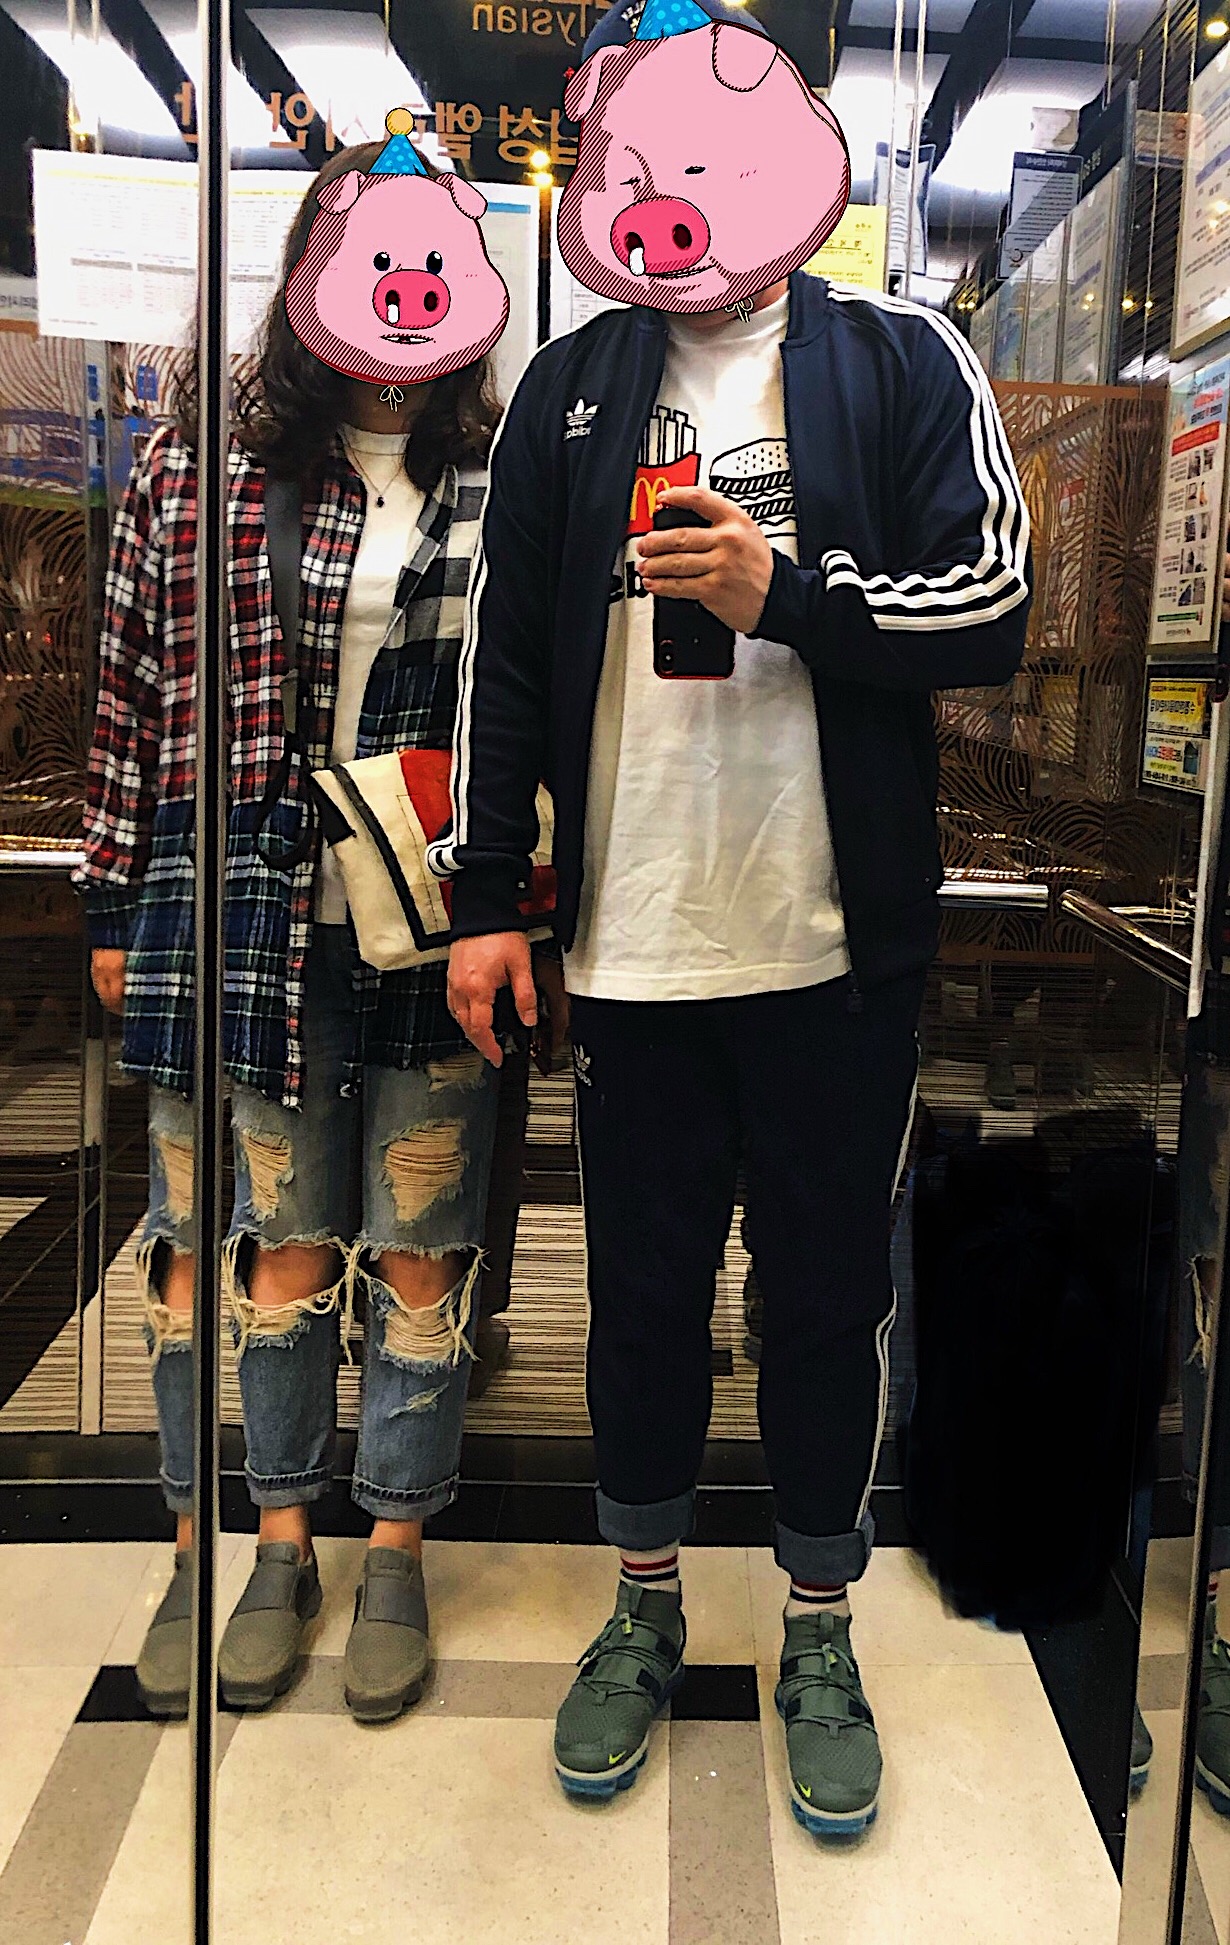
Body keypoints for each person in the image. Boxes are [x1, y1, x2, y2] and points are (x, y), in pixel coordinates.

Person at [439, 0, 1031, 1836]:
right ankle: (638, 1605)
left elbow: (993, 604)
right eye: (635, 160)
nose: (668, 190)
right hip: (630, 943)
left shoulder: (898, 357)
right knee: (636, 1301)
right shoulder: (572, 386)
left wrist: (791, 594)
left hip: (830, 945)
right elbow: (504, 662)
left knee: (827, 1302)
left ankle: (820, 1624)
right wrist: (484, 899)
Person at [76, 130, 555, 1725]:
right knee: (255, 1243)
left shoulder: (506, 478)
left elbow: (539, 708)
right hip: (235, 909)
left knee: (421, 1241)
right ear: (312, 271)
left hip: (437, 921)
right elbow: (134, 682)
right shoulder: (195, 463)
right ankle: (257, 1542)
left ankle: (395, 1539)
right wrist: (107, 888)